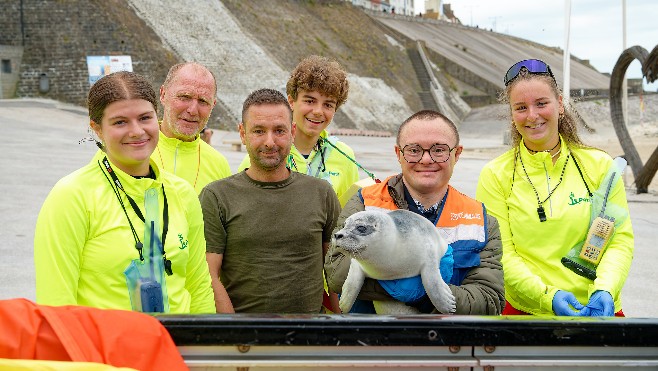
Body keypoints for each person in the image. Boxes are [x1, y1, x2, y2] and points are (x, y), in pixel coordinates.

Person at [34, 71, 215, 313]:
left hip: (176, 348)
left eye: (144, 118)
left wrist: (206, 347)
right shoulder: (72, 196)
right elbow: (56, 304)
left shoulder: (182, 194)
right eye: (120, 122)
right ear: (97, 128)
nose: (137, 131)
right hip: (104, 349)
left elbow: (198, 286)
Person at [476, 59, 634, 316]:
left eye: (541, 103)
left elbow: (619, 241)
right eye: (521, 107)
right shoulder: (495, 175)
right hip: (527, 311)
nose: (532, 115)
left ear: (559, 104)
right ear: (512, 114)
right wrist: (547, 298)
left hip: (600, 309)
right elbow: (501, 254)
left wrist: (605, 290)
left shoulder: (600, 166)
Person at [325, 110, 505, 315]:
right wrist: (408, 281)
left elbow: (490, 299)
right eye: (413, 150)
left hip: (446, 344)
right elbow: (337, 273)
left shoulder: (480, 222)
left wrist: (426, 293)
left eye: (439, 150)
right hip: (373, 341)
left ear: (457, 154)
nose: (426, 159)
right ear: (398, 153)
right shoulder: (364, 204)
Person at [200, 88, 341, 313]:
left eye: (279, 130)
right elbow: (209, 275)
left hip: (312, 338)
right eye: (258, 131)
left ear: (292, 132)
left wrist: (344, 332)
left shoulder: (321, 193)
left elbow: (334, 272)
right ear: (243, 134)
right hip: (247, 340)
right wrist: (236, 335)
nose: (269, 142)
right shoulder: (217, 197)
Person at [238, 55, 359, 202]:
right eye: (310, 101)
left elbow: (346, 217)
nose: (318, 111)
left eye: (328, 104)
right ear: (291, 101)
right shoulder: (265, 154)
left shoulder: (345, 157)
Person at [153, 62, 231, 194]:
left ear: (213, 105)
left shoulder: (219, 165)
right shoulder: (132, 150)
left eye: (203, 101)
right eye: (184, 97)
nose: (193, 110)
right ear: (163, 94)